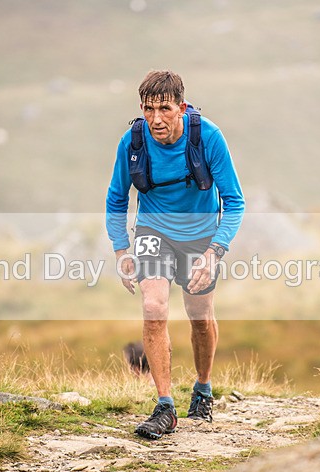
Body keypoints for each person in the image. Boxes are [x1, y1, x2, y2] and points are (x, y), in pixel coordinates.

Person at [106, 70, 245, 440]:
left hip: (201, 237)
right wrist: (122, 249)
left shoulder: (208, 138)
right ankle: (165, 405)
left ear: (181, 107)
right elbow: (116, 199)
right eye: (148, 109)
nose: (156, 119)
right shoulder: (132, 141)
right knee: (154, 307)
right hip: (153, 231)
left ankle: (202, 388)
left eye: (164, 109)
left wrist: (215, 252)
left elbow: (234, 202)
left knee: (199, 316)